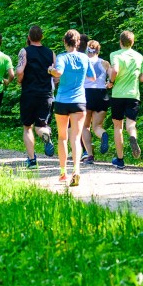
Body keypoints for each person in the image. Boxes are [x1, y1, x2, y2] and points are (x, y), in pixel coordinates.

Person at [50, 28, 95, 187]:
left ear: (64, 42)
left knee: (63, 137)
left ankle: (63, 173)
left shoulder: (62, 57)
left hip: (62, 101)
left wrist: (51, 70)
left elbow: (58, 73)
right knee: (76, 138)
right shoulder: (84, 58)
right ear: (78, 43)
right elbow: (92, 76)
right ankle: (77, 170)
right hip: (79, 101)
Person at [16, 25, 56, 168]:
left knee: (27, 127)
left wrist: (20, 79)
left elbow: (20, 70)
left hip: (29, 93)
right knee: (41, 126)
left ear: (29, 37)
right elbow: (56, 75)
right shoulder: (51, 53)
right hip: (46, 95)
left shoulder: (24, 51)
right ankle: (45, 135)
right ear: (42, 37)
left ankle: (32, 160)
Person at [107, 30, 143, 169]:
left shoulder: (115, 55)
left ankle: (120, 160)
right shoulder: (139, 57)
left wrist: (111, 82)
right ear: (133, 42)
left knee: (118, 126)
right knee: (131, 124)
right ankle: (133, 137)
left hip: (118, 94)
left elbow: (115, 70)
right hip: (133, 95)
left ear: (120, 42)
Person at [80, 39, 111, 164]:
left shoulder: (83, 61)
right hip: (101, 94)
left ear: (88, 50)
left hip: (86, 94)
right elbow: (113, 73)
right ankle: (103, 134)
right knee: (97, 126)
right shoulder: (104, 63)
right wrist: (110, 83)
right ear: (98, 50)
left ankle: (90, 155)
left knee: (85, 126)